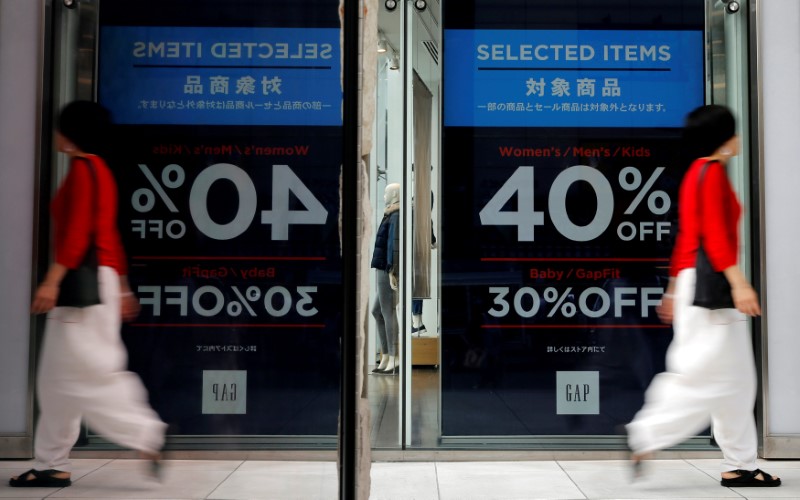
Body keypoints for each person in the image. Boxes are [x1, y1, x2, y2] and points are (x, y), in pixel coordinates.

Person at [10, 101, 167, 488]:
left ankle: (146, 433)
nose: (56, 135)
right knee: (60, 378)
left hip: (84, 290)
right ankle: (51, 464)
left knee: (87, 374)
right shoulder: (99, 171)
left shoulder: (84, 170)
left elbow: (79, 235)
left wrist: (51, 280)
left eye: (61, 128)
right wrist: (124, 286)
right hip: (102, 284)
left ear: (71, 133)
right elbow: (107, 235)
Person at [625, 104, 780, 487]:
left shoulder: (698, 172)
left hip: (697, 286)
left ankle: (740, 464)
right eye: (734, 131)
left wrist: (674, 289)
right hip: (713, 291)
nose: (739, 137)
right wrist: (739, 282)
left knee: (735, 380)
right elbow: (713, 235)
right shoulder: (711, 173)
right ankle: (645, 433)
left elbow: (687, 237)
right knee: (704, 376)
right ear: (724, 137)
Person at [370, 183, 401, 375]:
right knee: (377, 311)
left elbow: (394, 246)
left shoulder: (396, 215)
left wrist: (392, 271)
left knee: (387, 311)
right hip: (382, 266)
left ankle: (395, 357)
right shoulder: (391, 213)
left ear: (395, 195)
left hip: (386, 268)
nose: (383, 196)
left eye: (386, 193)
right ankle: (387, 355)